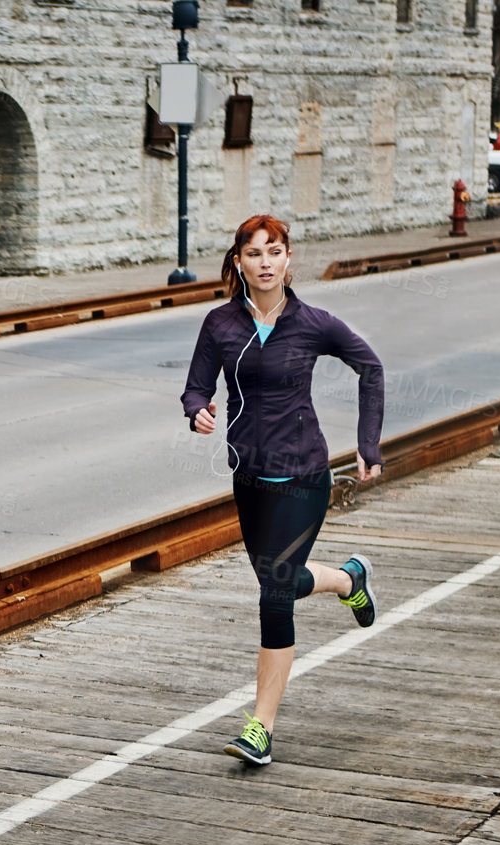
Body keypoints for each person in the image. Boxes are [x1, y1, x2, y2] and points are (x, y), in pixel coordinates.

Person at [182, 213, 385, 767]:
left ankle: (259, 728)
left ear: (288, 259)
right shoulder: (220, 325)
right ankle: (349, 578)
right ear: (239, 262)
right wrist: (197, 411)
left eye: (274, 252)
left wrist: (368, 444)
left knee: (274, 595)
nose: (265, 262)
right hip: (249, 477)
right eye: (254, 254)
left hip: (303, 476)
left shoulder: (314, 323)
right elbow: (196, 387)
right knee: (283, 581)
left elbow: (371, 368)